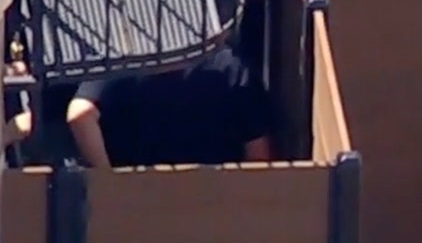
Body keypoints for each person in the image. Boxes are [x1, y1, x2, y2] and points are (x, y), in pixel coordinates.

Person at [66, 46, 272, 169]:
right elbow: (257, 157)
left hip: (138, 202)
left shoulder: (124, 59)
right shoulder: (231, 67)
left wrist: (109, 182)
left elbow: (79, 115)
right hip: (214, 206)